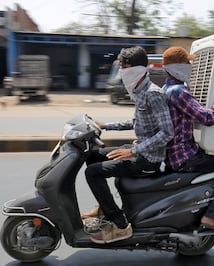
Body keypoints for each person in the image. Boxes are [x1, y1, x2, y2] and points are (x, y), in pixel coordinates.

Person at [84, 46, 174, 244]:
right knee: (92, 156)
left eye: (125, 67)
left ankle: (120, 224)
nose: (123, 72)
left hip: (148, 160)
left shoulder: (153, 94)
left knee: (92, 173)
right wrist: (106, 126)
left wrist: (132, 151)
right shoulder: (140, 92)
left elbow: (167, 133)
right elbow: (137, 122)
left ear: (138, 69)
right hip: (140, 150)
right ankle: (105, 207)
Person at [161, 46, 214, 238]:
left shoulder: (165, 89)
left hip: (177, 153)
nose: (190, 66)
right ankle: (213, 214)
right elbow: (208, 117)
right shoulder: (178, 92)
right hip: (185, 158)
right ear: (176, 67)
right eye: (187, 63)